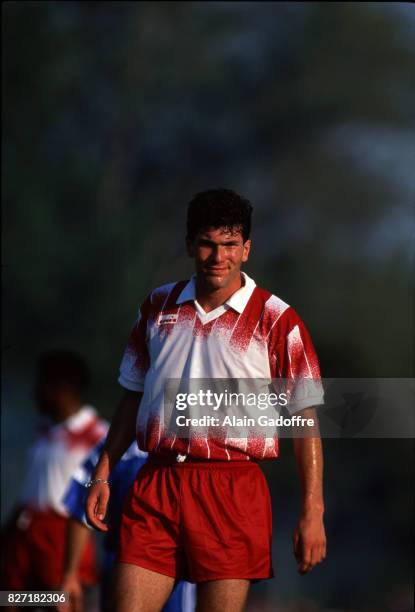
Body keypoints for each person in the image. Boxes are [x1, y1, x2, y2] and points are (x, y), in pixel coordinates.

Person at [85, 189, 327, 612]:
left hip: (233, 490)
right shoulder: (157, 307)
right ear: (189, 245)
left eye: (230, 245)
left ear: (246, 249)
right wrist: (102, 473)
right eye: (208, 244)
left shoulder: (277, 319)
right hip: (156, 483)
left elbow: (304, 417)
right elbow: (132, 398)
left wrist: (313, 511)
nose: (219, 256)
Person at [1, 351, 107, 600]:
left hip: (61, 537)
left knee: (58, 601)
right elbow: (32, 489)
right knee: (10, 599)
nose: (35, 393)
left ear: (61, 389)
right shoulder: (45, 433)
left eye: (41, 385)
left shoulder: (98, 435)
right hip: (26, 532)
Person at [59, 438, 196, 612]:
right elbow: (82, 505)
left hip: (176, 565)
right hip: (120, 559)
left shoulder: (194, 447)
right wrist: (70, 575)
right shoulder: (112, 450)